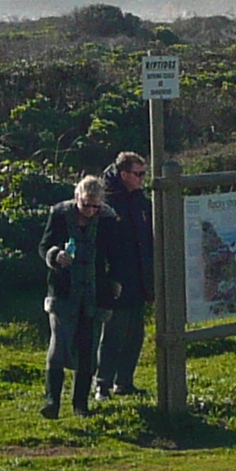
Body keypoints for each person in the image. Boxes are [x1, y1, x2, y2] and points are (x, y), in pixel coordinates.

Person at [39, 174, 112, 417]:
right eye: (86, 204)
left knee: (88, 350)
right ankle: (52, 402)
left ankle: (81, 404)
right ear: (76, 198)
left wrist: (115, 282)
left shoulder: (107, 220)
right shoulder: (60, 214)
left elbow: (116, 254)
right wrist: (55, 255)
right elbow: (44, 245)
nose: (90, 210)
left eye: (95, 205)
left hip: (94, 293)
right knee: (58, 347)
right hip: (64, 293)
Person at [95, 151, 154, 396]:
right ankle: (102, 384)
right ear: (124, 174)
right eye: (138, 174)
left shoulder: (142, 201)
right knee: (113, 334)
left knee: (135, 335)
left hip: (139, 277)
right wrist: (107, 279)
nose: (142, 178)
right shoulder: (106, 202)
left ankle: (125, 382)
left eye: (144, 174)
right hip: (117, 278)